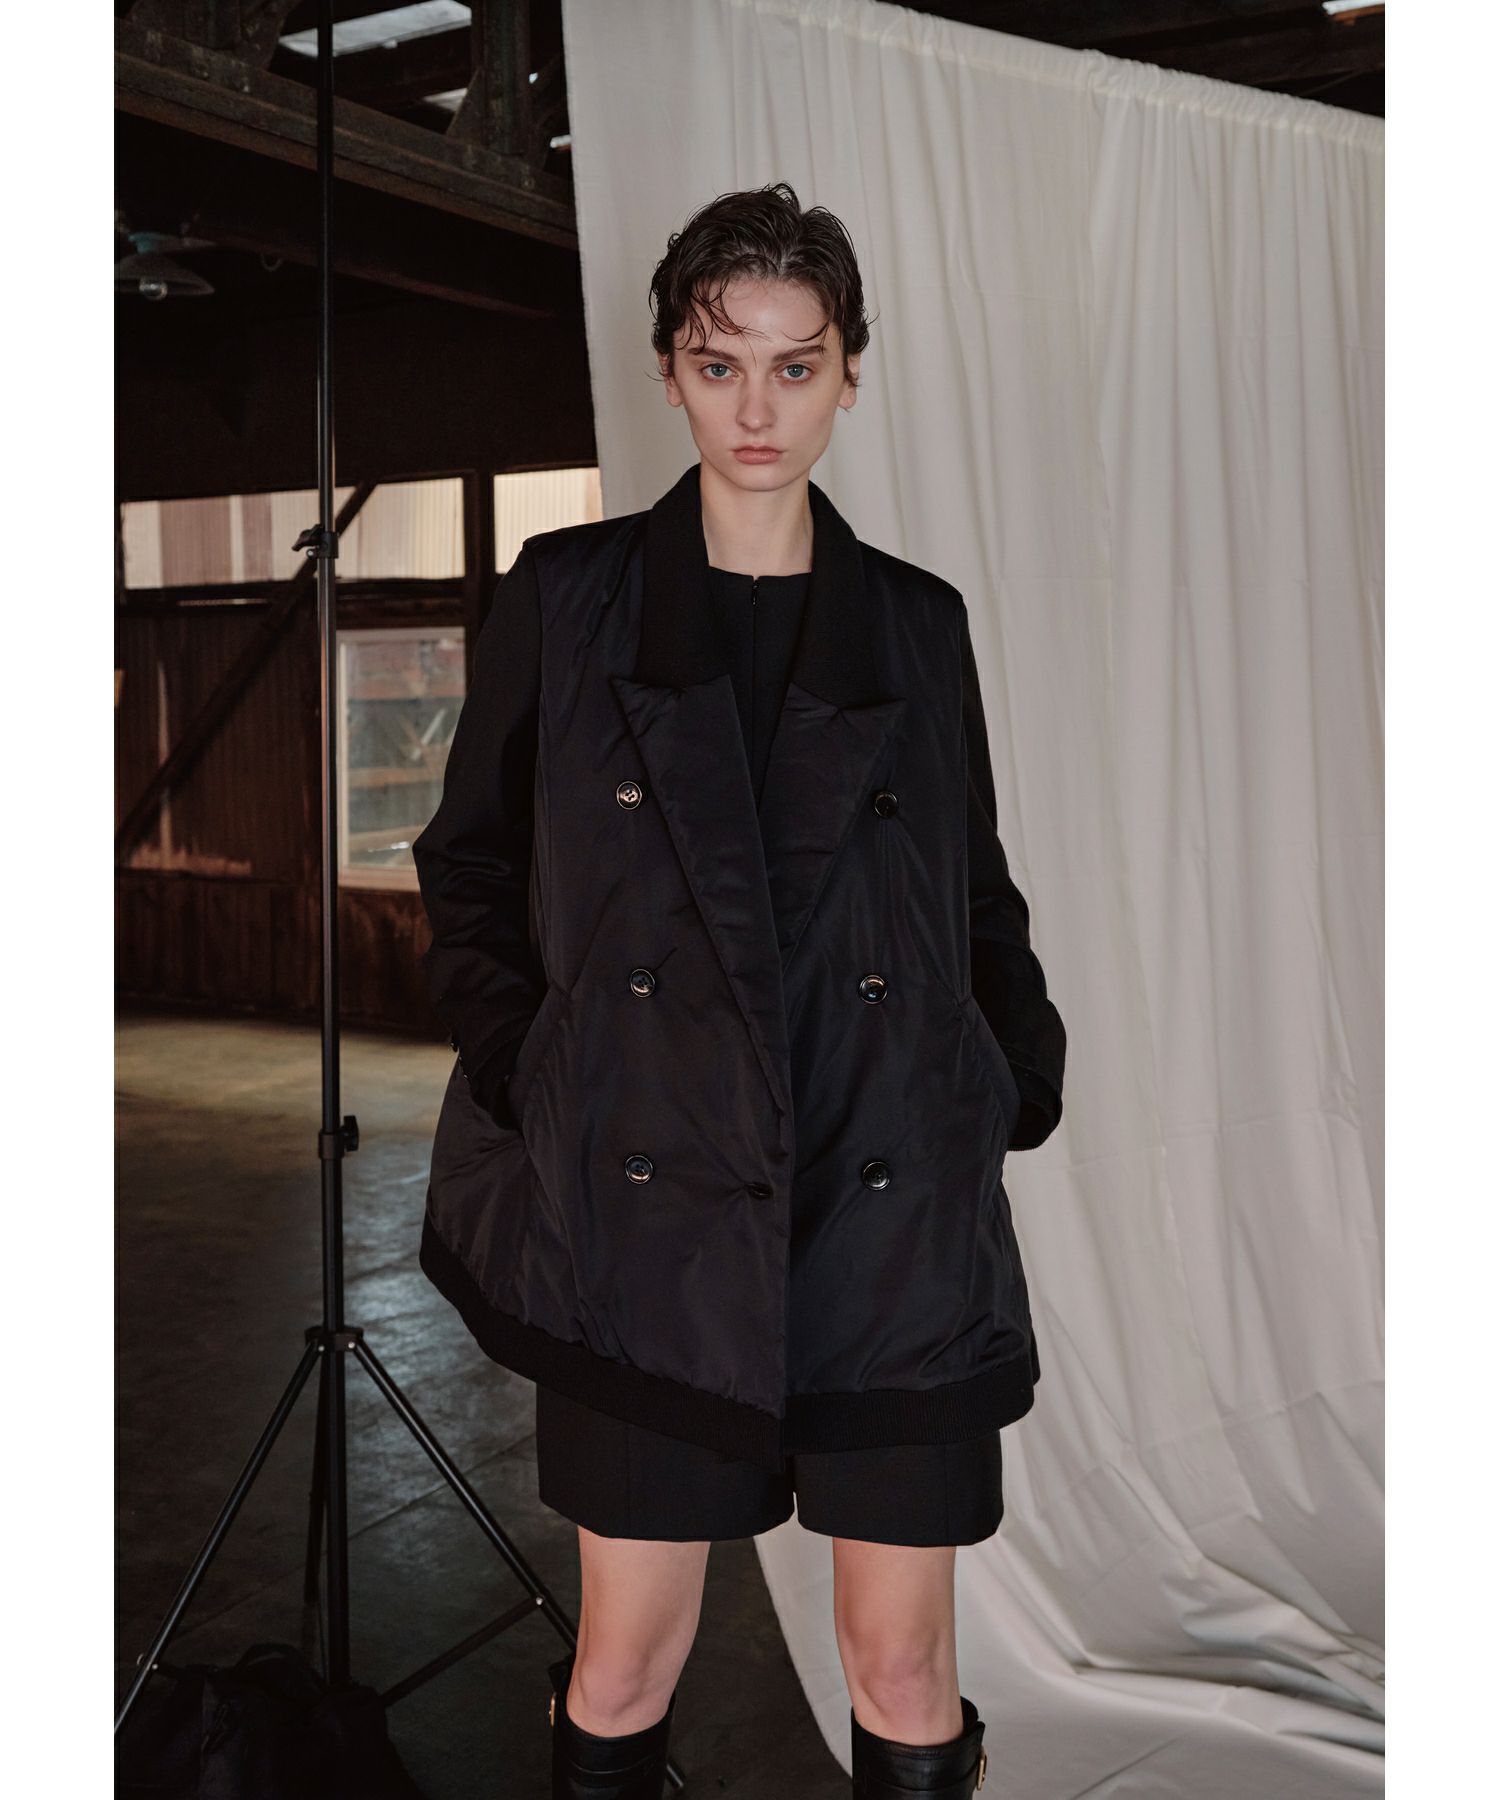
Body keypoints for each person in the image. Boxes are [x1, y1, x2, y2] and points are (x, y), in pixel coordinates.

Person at [412, 183, 1066, 1800]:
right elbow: (471, 860)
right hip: (651, 1207)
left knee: (902, 1664)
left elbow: (971, 886)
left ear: (850, 373)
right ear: (669, 371)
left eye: (795, 365)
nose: (757, 408)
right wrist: (535, 1062)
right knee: (624, 1662)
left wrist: (1009, 1068)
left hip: (889, 1205)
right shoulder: (568, 599)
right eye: (721, 365)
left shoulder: (916, 624)